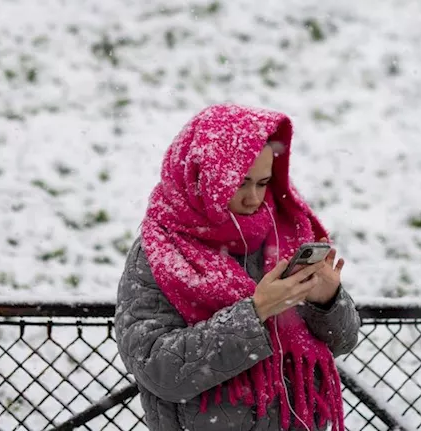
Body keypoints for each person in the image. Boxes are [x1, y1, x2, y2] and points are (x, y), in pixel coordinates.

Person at [115, 103, 361, 431]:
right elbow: (157, 368)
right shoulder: (160, 249)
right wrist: (255, 312)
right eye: (239, 183)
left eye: (262, 183)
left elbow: (342, 341)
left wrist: (327, 301)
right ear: (202, 176)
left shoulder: (287, 229)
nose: (253, 199)